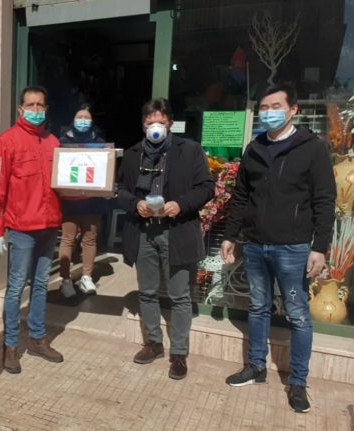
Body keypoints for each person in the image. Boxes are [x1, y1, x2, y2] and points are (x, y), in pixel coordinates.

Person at [221, 84, 336, 413]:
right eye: (264, 107)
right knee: (258, 307)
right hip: (255, 245)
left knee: (298, 315)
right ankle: (256, 366)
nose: (269, 112)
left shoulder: (312, 148)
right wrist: (231, 235)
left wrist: (320, 247)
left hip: (294, 248)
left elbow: (324, 199)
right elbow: (241, 197)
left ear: (293, 110)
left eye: (276, 106)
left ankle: (298, 382)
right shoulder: (254, 148)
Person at [116, 98, 214, 380]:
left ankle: (179, 353)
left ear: (170, 122)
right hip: (144, 231)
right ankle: (153, 343)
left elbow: (207, 187)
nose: (155, 126)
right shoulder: (133, 154)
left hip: (177, 230)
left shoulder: (190, 150)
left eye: (160, 121)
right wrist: (135, 203)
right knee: (147, 291)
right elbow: (120, 189)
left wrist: (181, 204)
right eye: (150, 122)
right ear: (143, 125)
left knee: (179, 295)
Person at [0, 85, 64, 375]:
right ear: (20, 109)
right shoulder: (6, 143)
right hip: (21, 229)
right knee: (16, 287)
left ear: (46, 109)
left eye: (41, 105)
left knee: (40, 285)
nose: (36, 110)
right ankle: (11, 345)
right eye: (31, 105)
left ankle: (38, 339)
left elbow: (65, 184)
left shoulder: (53, 142)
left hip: (49, 226)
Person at [58, 103, 108, 297]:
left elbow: (105, 170)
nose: (83, 121)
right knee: (67, 239)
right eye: (80, 117)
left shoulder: (100, 143)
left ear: (92, 121)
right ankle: (65, 280)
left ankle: (86, 277)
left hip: (92, 202)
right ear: (73, 119)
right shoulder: (62, 142)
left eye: (87, 118)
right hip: (69, 201)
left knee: (89, 239)